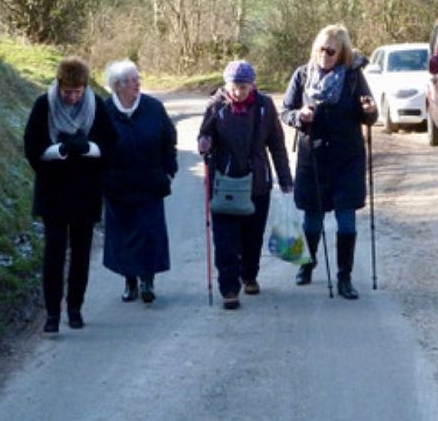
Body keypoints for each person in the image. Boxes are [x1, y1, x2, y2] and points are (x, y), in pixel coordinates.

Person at [281, 24, 378, 299]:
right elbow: (286, 111)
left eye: (331, 51)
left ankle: (344, 278)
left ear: (342, 52)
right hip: (313, 157)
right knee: (312, 220)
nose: (324, 55)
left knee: (346, 220)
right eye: (321, 49)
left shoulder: (352, 77)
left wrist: (370, 111)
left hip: (348, 159)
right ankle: (306, 264)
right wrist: (300, 116)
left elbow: (368, 115)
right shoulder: (302, 75)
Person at [24, 57, 117, 333]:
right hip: (53, 192)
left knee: (80, 254)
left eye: (78, 91)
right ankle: (52, 314)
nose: (73, 97)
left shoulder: (95, 104)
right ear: (59, 86)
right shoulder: (44, 105)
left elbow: (111, 143)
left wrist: (89, 148)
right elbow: (31, 145)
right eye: (68, 92)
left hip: (85, 192)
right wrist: (56, 151)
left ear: (85, 87)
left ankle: (75, 308)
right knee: (53, 253)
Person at [198, 60, 293, 310]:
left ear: (253, 84)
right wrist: (204, 143)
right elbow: (204, 135)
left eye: (244, 86)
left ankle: (249, 275)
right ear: (227, 85)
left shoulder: (264, 106)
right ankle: (229, 288)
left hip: (257, 183)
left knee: (252, 236)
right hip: (224, 183)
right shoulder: (216, 105)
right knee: (226, 239)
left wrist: (285, 178)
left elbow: (276, 144)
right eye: (235, 86)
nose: (239, 92)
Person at [102, 60, 178, 304]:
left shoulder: (153, 107)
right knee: (123, 235)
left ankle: (148, 281)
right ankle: (129, 282)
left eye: (138, 79)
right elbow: (97, 146)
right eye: (133, 80)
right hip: (117, 185)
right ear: (119, 85)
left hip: (150, 182)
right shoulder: (104, 112)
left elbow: (169, 137)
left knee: (149, 233)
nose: (138, 84)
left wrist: (169, 168)